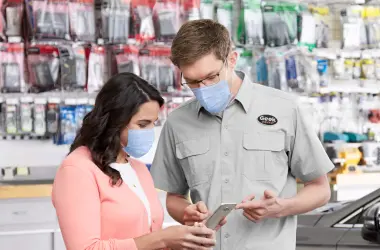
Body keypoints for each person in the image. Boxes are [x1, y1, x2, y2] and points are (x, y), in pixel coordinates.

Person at [150, 19, 333, 250]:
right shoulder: (177, 123)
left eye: (211, 77)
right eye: (193, 82)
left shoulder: (285, 109)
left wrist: (281, 207)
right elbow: (173, 197)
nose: (203, 87)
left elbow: (320, 188)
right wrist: (186, 213)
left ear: (232, 60)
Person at [52, 73, 216, 250]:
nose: (151, 131)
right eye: (143, 124)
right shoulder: (77, 170)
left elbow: (146, 239)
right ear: (115, 121)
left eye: (154, 123)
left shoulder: (139, 169)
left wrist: (183, 239)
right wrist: (163, 239)